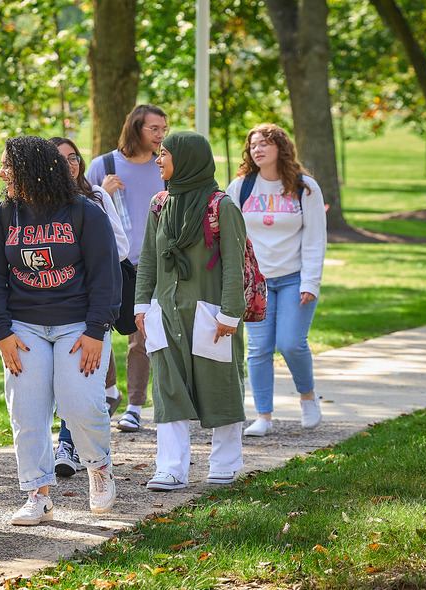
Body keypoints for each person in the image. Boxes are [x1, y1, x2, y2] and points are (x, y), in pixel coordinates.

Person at [0, 136, 121, 525]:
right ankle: (37, 494)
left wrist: (96, 330)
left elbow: (106, 276)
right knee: (26, 410)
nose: (0, 173)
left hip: (79, 326)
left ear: (32, 170)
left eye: (8, 165)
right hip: (23, 328)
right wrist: (1, 331)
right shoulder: (3, 214)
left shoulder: (84, 212)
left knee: (80, 404)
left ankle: (99, 468)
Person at [134, 131, 247, 490]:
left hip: (211, 314)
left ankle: (226, 462)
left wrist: (229, 315)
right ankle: (170, 468)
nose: (158, 160)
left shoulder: (222, 206)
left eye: (164, 153)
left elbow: (234, 265)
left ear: (186, 159)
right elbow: (149, 259)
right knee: (168, 389)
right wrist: (141, 304)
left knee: (220, 384)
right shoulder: (160, 204)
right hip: (165, 313)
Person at [225, 123, 327, 437]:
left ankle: (308, 397)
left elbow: (314, 238)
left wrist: (311, 281)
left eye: (264, 144)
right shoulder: (240, 187)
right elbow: (232, 237)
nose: (257, 149)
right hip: (257, 283)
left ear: (281, 148)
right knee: (259, 349)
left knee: (291, 344)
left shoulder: (303, 186)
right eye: (253, 145)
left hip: (295, 278)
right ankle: (264, 416)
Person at [49, 136, 129, 477]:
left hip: (87, 303)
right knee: (57, 382)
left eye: (73, 157)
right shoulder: (33, 204)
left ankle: (70, 445)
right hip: (47, 302)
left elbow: (121, 248)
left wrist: (87, 249)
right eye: (60, 159)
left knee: (77, 380)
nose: (70, 164)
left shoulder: (96, 197)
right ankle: (78, 444)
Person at [87, 104, 168, 434]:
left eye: (164, 128)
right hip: (109, 263)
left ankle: (135, 405)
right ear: (136, 128)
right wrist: (102, 192)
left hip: (151, 265)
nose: (161, 135)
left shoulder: (164, 166)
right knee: (99, 333)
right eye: (154, 128)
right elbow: (81, 209)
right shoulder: (103, 165)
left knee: (141, 338)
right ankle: (110, 391)